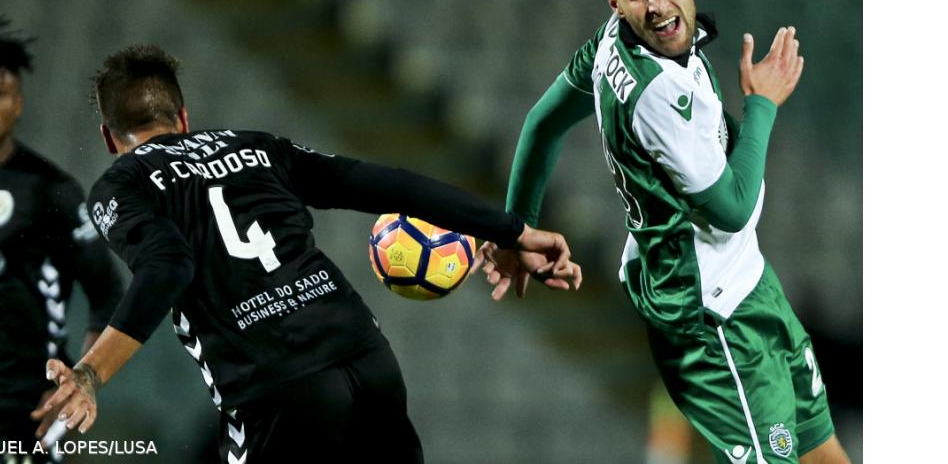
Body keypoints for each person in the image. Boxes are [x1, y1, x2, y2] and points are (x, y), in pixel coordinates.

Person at [29, 45, 581, 463]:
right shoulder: (257, 147)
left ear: (108, 137)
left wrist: (91, 374)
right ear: (182, 116)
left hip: (277, 390)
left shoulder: (121, 185)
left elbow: (169, 264)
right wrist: (511, 230)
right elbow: (387, 186)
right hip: (367, 359)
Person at [484, 0, 850, 463]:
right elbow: (730, 209)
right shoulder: (659, 95)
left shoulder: (613, 42)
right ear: (615, 1)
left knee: (824, 453)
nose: (656, 5)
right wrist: (763, 104)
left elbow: (542, 124)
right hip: (713, 317)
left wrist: (516, 229)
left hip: (748, 280)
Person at [0, 18, 126, 463]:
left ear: (17, 104)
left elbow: (108, 294)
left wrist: (81, 381)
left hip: (27, 409)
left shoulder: (49, 191)